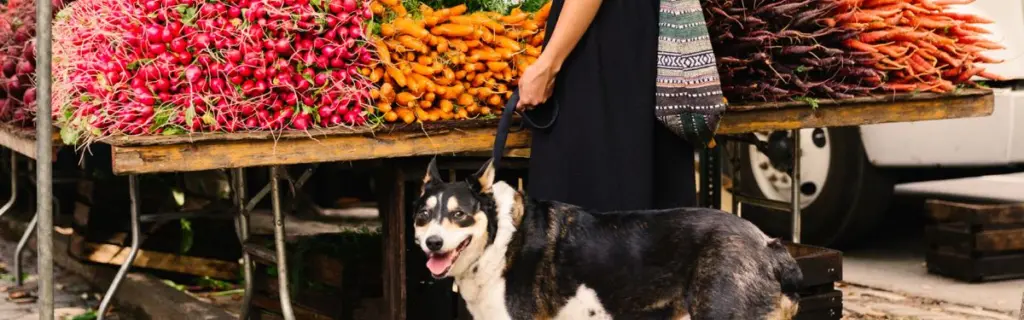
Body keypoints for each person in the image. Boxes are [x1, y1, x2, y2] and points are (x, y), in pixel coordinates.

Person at [516, 0, 696, 211]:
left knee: (590, 197)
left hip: (605, 37)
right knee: (644, 189)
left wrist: (548, 64)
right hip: (636, 33)